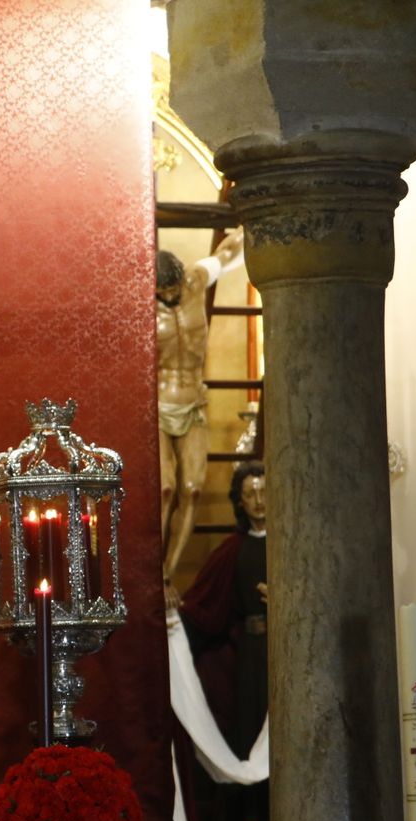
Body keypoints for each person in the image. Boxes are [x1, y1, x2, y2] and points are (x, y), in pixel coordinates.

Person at [178, 460, 268, 821]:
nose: (258, 501)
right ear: (239, 502)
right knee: (247, 741)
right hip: (250, 662)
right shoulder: (232, 551)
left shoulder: (295, 546)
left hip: (289, 657)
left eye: (263, 491)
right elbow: (202, 611)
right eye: (249, 494)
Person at [158, 228, 244, 601]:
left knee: (192, 491)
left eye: (175, 288)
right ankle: (152, 569)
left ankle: (168, 575)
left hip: (194, 402)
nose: (173, 296)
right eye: (165, 293)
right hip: (158, 406)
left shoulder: (195, 279)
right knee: (165, 489)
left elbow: (227, 254)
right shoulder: (137, 305)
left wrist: (245, 227)